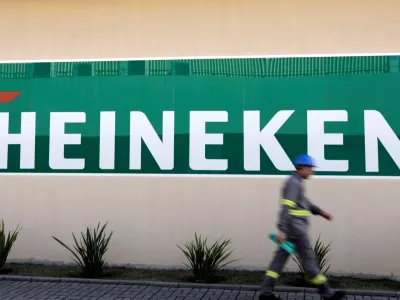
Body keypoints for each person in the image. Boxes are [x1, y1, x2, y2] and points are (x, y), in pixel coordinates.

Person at [259, 154, 345, 300]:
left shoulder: (296, 183)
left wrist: (321, 212)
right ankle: (328, 294)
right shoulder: (294, 183)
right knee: (309, 262)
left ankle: (265, 293)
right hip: (296, 231)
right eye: (310, 168)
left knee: (278, 262)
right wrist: (282, 229)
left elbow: (305, 203)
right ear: (302, 168)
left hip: (292, 230)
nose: (312, 172)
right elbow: (287, 207)